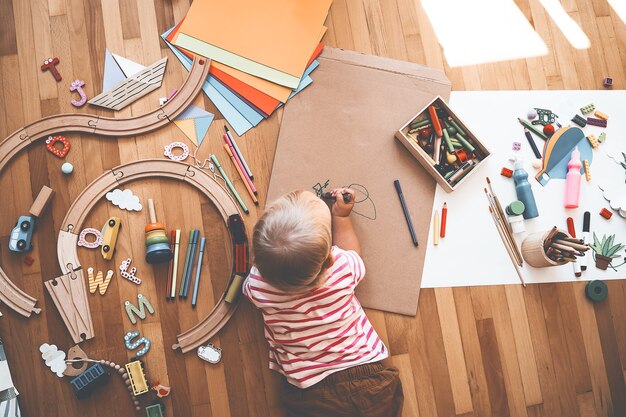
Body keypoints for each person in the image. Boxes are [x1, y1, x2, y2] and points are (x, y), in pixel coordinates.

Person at [242, 188, 403, 417]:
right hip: (371, 382)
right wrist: (341, 217)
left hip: (309, 393)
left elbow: (252, 281)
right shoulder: (342, 269)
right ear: (330, 260)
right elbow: (352, 252)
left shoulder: (258, 288)